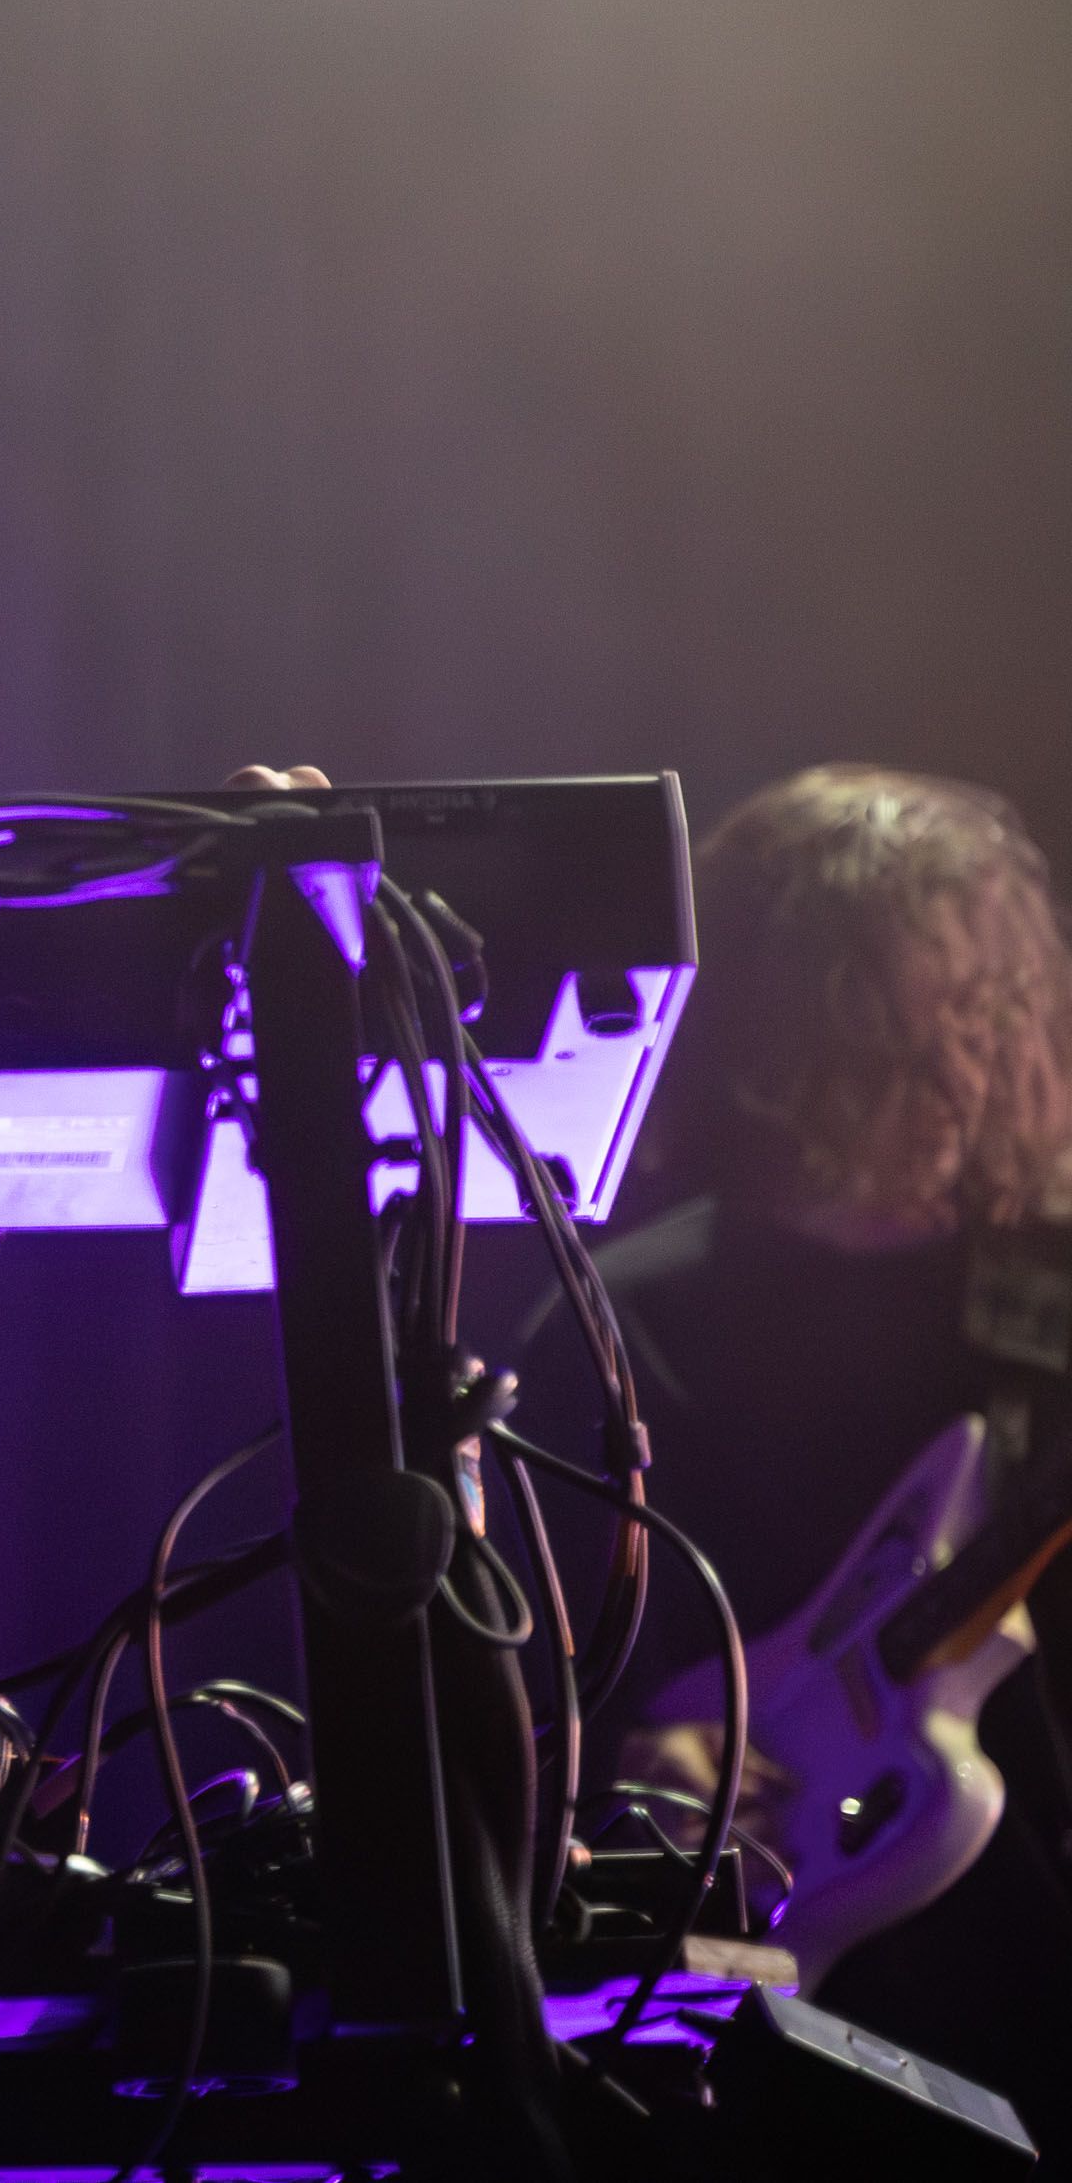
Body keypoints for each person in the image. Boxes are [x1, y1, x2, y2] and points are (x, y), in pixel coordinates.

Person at [521, 763, 1072, 2137]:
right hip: (753, 2041)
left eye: (984, 1015)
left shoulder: (1050, 1296)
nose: (957, 1070)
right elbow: (530, 1695)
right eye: (901, 1027)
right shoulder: (614, 1320)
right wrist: (640, 1764)